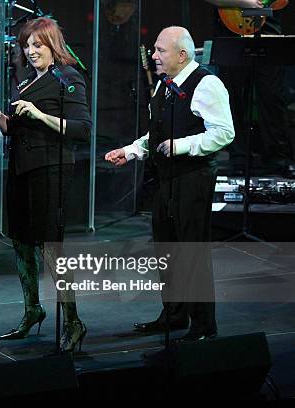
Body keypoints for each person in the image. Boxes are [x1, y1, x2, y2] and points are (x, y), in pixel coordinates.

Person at [105, 26, 234, 342]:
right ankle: (175, 315)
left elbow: (224, 132)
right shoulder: (165, 86)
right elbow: (157, 134)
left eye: (160, 50)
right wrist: (132, 151)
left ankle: (204, 325)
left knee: (191, 251)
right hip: (167, 179)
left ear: (182, 54)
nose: (154, 55)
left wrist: (184, 145)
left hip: (193, 179)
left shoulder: (206, 84)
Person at [0, 17, 92, 352]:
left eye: (37, 45)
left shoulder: (66, 78)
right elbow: (18, 127)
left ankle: (73, 321)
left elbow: (82, 128)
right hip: (21, 168)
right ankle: (33, 309)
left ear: (52, 46)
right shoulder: (27, 81)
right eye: (27, 46)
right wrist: (0, 119)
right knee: (20, 240)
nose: (31, 51)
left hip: (50, 169)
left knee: (50, 247)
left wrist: (39, 114)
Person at [205, 0, 294, 177]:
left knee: (273, 94)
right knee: (232, 94)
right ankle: (238, 156)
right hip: (231, 22)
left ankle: (278, 156)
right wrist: (244, 2)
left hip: (267, 22)